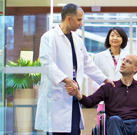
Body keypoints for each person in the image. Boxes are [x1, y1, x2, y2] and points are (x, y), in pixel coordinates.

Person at [35, 3, 114, 135]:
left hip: (73, 98)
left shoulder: (77, 40)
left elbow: (87, 63)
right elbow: (47, 63)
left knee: (74, 131)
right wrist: (67, 80)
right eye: (79, 20)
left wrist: (104, 79)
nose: (81, 23)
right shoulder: (49, 37)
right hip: (56, 98)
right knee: (58, 131)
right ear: (69, 19)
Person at [66, 54, 137, 135]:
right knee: (114, 119)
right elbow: (90, 102)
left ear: (135, 69)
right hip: (116, 125)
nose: (123, 63)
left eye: (128, 61)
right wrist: (77, 93)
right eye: (123, 60)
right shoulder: (109, 87)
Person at [93, 27, 129, 125]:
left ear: (123, 39)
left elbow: (133, 77)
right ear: (108, 38)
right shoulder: (99, 56)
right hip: (105, 98)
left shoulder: (128, 56)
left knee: (121, 125)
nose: (115, 38)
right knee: (103, 126)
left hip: (124, 98)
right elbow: (94, 78)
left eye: (118, 36)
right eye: (112, 35)